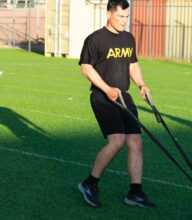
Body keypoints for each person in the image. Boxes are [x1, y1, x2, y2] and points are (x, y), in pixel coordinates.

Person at [77, 0, 155, 208]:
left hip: (124, 96)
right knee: (117, 140)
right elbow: (86, 68)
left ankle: (135, 192)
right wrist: (106, 88)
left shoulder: (128, 38)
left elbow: (132, 64)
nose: (124, 21)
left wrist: (141, 85)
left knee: (135, 142)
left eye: (126, 17)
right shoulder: (95, 39)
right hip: (103, 97)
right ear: (109, 13)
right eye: (120, 16)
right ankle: (90, 183)